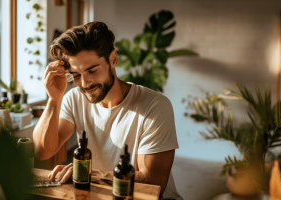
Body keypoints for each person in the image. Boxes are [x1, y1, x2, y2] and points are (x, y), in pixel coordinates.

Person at [32, 22, 182, 200]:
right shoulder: (74, 99)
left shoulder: (155, 106)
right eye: (76, 75)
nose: (85, 83)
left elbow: (153, 182)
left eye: (92, 70)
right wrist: (53, 99)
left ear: (113, 59)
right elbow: (43, 151)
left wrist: (91, 174)